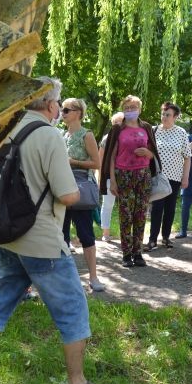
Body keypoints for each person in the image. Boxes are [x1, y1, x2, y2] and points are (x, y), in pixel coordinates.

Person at [0, 77, 116, 384]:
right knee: (72, 309)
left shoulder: (6, 129)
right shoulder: (48, 135)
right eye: (58, 104)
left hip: (8, 237)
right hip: (42, 241)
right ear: (49, 105)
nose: (59, 109)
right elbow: (67, 194)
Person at [100, 95, 159, 268]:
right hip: (123, 175)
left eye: (133, 107)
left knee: (140, 214)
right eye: (126, 107)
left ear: (139, 109)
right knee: (126, 215)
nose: (130, 110)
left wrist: (148, 154)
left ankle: (138, 252)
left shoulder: (146, 127)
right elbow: (111, 156)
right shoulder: (118, 129)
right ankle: (126, 254)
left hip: (143, 175)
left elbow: (154, 152)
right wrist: (112, 181)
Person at [61, 97, 106, 292]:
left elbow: (97, 163)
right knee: (60, 236)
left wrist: (73, 162)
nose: (62, 113)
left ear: (78, 113)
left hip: (79, 188)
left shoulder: (86, 135)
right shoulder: (62, 135)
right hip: (61, 187)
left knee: (86, 234)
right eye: (62, 109)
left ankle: (93, 277)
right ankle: (63, 280)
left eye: (66, 110)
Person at [146, 102, 191, 250]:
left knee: (170, 208)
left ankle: (166, 237)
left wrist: (185, 177)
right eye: (163, 114)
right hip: (158, 177)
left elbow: (187, 156)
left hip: (175, 177)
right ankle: (152, 240)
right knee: (157, 207)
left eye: (168, 115)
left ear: (175, 117)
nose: (164, 117)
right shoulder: (154, 131)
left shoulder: (181, 133)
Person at [98, 112, 124, 241]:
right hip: (109, 176)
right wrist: (99, 178)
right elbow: (100, 160)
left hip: (126, 176)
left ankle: (125, 233)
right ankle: (106, 233)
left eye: (121, 122)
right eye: (116, 122)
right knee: (107, 204)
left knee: (126, 206)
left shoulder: (129, 137)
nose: (118, 125)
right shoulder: (106, 138)